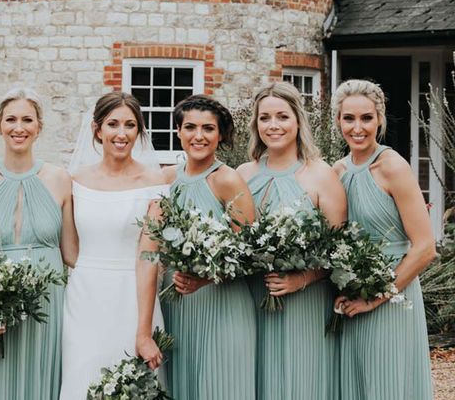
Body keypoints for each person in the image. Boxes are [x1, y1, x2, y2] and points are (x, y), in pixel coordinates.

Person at [0, 87, 75, 400]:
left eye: (27, 119)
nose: (19, 127)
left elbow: (71, 253)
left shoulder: (60, 178)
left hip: (47, 303)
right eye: (11, 119)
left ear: (39, 127)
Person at [237, 81, 345, 400]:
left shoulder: (321, 175)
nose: (274, 126)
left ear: (298, 120)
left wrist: (302, 278)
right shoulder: (243, 174)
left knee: (300, 384)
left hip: (304, 301)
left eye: (282, 117)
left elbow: (341, 249)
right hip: (252, 298)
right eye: (265, 118)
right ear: (256, 124)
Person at [60, 91, 171, 400]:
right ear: (97, 130)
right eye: (113, 124)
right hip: (84, 300)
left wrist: (144, 332)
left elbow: (149, 257)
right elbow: (70, 251)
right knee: (81, 380)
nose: (121, 134)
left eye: (130, 125)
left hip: (134, 297)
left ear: (139, 131)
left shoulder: (154, 182)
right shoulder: (76, 180)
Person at [332, 79, 435, 400]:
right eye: (349, 118)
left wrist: (374, 298)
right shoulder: (337, 171)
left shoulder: (393, 167)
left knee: (388, 384)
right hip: (350, 296)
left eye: (366, 118)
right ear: (338, 121)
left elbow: (425, 248)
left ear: (380, 119)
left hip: (392, 296)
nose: (357, 127)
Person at [161, 95, 257, 400]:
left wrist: (205, 278)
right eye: (190, 127)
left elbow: (249, 251)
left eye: (208, 128)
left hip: (222, 303)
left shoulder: (228, 179)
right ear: (178, 131)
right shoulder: (166, 179)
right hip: (177, 303)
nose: (198, 136)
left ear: (220, 135)